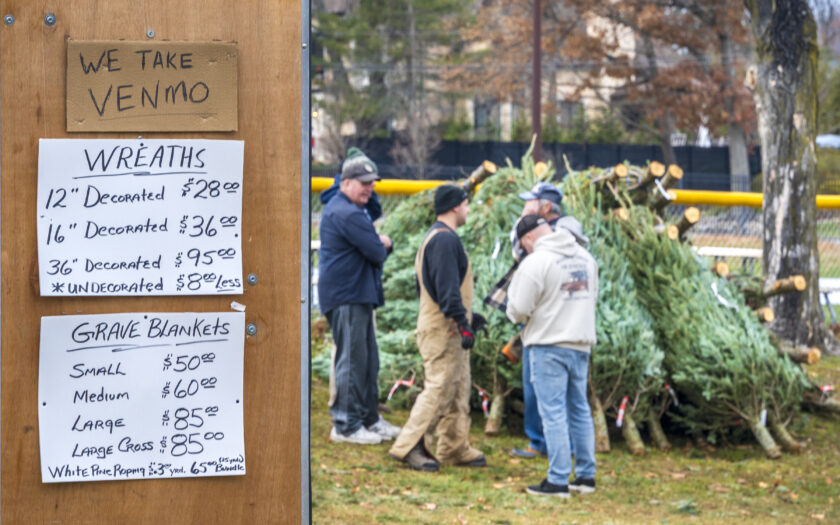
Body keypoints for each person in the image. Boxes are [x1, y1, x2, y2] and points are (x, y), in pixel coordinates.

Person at [389, 184, 487, 472]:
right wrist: (461, 321)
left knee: (458, 388)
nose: (469, 209)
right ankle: (410, 446)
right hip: (444, 329)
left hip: (451, 327)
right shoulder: (445, 241)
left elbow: (444, 286)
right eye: (467, 204)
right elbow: (446, 290)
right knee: (439, 389)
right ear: (456, 206)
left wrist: (471, 318)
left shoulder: (439, 238)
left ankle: (453, 446)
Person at [506, 214, 598, 497]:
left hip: (548, 344)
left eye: (524, 246)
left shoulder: (536, 262)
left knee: (553, 412)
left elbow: (518, 309)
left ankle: (557, 480)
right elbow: (591, 297)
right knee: (579, 409)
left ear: (528, 238)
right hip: (580, 343)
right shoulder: (585, 258)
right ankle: (585, 476)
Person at [319, 147, 401, 445]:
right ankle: (345, 425)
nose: (370, 188)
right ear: (345, 183)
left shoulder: (352, 208)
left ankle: (368, 418)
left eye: (372, 182)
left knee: (368, 362)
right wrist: (385, 243)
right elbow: (377, 251)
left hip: (357, 293)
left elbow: (373, 225)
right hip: (347, 295)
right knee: (352, 361)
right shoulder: (346, 212)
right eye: (364, 183)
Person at [510, 182, 589, 460]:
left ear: (545, 206)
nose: (527, 207)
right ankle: (540, 442)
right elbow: (517, 250)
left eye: (532, 202)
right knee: (534, 387)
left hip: (555, 323)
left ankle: (558, 455)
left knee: (557, 398)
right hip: (543, 318)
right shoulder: (534, 233)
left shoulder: (565, 233)